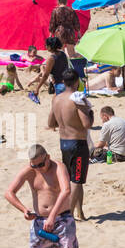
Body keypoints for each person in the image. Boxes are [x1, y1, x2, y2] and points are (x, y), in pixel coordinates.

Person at [4, 144, 82, 248]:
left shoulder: (58, 167)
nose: (38, 168)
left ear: (47, 157)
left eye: (41, 164)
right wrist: (24, 210)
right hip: (40, 222)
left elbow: (66, 190)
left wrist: (53, 215)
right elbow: (9, 192)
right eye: (34, 165)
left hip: (62, 220)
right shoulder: (29, 171)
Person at [46, 70, 92, 221]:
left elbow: (50, 123)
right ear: (77, 81)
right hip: (77, 143)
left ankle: (80, 212)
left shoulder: (57, 99)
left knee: (75, 179)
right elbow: (87, 124)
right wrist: (88, 110)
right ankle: (69, 215)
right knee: (77, 181)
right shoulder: (76, 100)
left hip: (63, 142)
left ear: (64, 82)